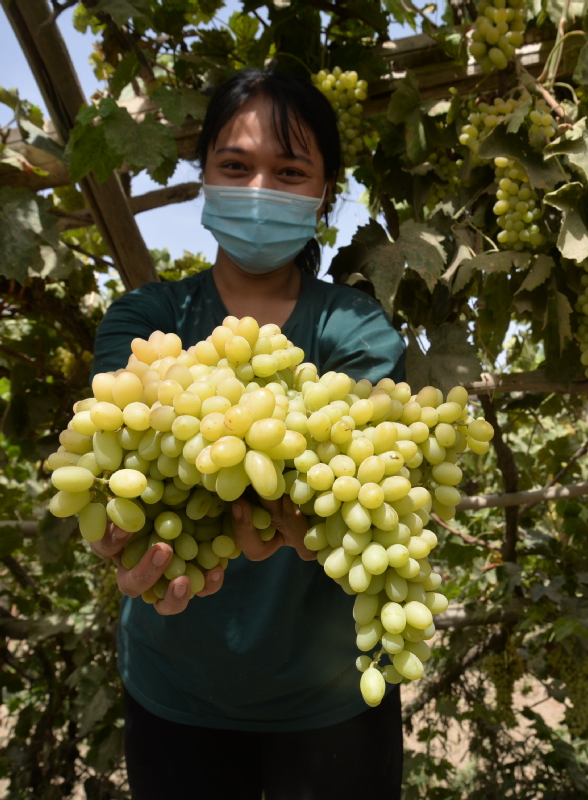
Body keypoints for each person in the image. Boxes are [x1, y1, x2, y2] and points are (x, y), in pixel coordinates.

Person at [86, 69, 407, 799]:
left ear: (323, 195)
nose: (259, 188)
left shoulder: (354, 325)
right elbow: (110, 458)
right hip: (175, 694)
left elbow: (371, 465)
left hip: (332, 698)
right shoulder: (143, 322)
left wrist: (314, 520)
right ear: (204, 176)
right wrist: (107, 532)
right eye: (236, 166)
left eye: (290, 171)